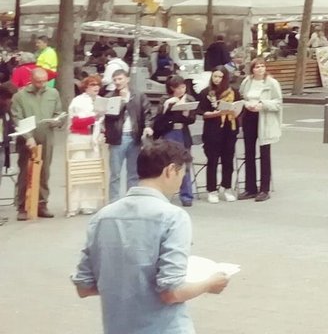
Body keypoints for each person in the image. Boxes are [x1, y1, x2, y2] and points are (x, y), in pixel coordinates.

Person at [71, 140, 230, 331]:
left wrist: (123, 281)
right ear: (170, 170)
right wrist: (209, 283)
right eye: (182, 173)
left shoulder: (102, 218)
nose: (181, 180)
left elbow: (84, 287)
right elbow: (172, 292)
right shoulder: (173, 217)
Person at [12, 67, 63, 219]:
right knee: (25, 172)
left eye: (44, 82)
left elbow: (58, 112)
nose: (42, 84)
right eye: (38, 82)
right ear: (32, 80)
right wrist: (27, 136)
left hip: (47, 135)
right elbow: (16, 118)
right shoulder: (20, 96)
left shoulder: (53, 93)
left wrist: (58, 121)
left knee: (44, 171)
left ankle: (42, 203)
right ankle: (22, 206)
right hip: (27, 138)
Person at [150, 78, 198, 208]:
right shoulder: (166, 99)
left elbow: (192, 119)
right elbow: (160, 118)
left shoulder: (189, 99)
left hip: (182, 131)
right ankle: (166, 193)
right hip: (169, 131)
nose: (181, 90)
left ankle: (186, 195)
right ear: (172, 88)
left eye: (183, 87)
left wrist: (186, 113)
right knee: (168, 163)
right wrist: (169, 107)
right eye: (178, 88)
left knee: (185, 163)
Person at [238, 59, 283, 202]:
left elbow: (278, 102)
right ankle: (250, 188)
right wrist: (247, 104)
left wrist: (262, 104)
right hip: (249, 117)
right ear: (252, 69)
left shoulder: (271, 83)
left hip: (264, 118)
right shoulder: (247, 81)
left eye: (262, 66)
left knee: (265, 153)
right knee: (249, 152)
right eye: (257, 67)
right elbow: (242, 97)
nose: (260, 69)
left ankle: (264, 189)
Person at [65, 73, 107, 216]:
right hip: (78, 138)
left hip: (94, 139)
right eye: (92, 85)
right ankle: (74, 205)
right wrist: (92, 118)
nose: (96, 87)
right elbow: (75, 122)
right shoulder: (78, 101)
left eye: (97, 85)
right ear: (86, 87)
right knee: (78, 172)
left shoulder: (102, 101)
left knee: (92, 173)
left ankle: (88, 205)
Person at [196, 69, 240, 204]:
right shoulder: (206, 92)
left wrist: (234, 111)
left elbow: (239, 108)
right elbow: (201, 111)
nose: (217, 79)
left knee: (228, 160)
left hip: (229, 129)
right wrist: (214, 113)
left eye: (220, 77)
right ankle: (212, 190)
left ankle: (226, 187)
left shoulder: (233, 92)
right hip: (212, 130)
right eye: (215, 76)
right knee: (213, 161)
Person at [102, 68, 147, 200]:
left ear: (127, 79)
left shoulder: (138, 95)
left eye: (120, 79)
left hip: (134, 137)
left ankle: (131, 199)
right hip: (117, 138)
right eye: (115, 80)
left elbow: (147, 113)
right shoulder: (110, 97)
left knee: (133, 172)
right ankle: (114, 201)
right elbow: (110, 116)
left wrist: (148, 127)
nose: (117, 82)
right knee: (115, 173)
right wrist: (121, 101)